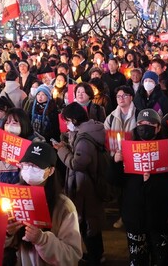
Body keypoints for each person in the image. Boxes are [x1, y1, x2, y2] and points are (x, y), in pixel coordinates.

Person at [110, 109, 168, 266]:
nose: (145, 126)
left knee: (162, 258)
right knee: (137, 258)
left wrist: (152, 182)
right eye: (141, 124)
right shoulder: (128, 148)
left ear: (158, 128)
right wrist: (115, 162)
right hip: (135, 215)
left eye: (150, 124)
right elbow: (114, 181)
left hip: (160, 217)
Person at [4, 141, 83, 265]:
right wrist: (7, 233)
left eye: (36, 166)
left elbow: (72, 256)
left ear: (50, 171)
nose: (29, 169)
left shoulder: (64, 207)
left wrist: (42, 240)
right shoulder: (10, 197)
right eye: (26, 164)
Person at [54, 102, 106, 265]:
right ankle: (97, 254)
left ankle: (95, 256)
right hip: (87, 182)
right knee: (90, 221)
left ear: (74, 119)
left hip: (86, 185)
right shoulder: (88, 130)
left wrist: (62, 150)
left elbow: (77, 163)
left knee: (88, 222)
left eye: (67, 120)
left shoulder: (84, 138)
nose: (66, 123)